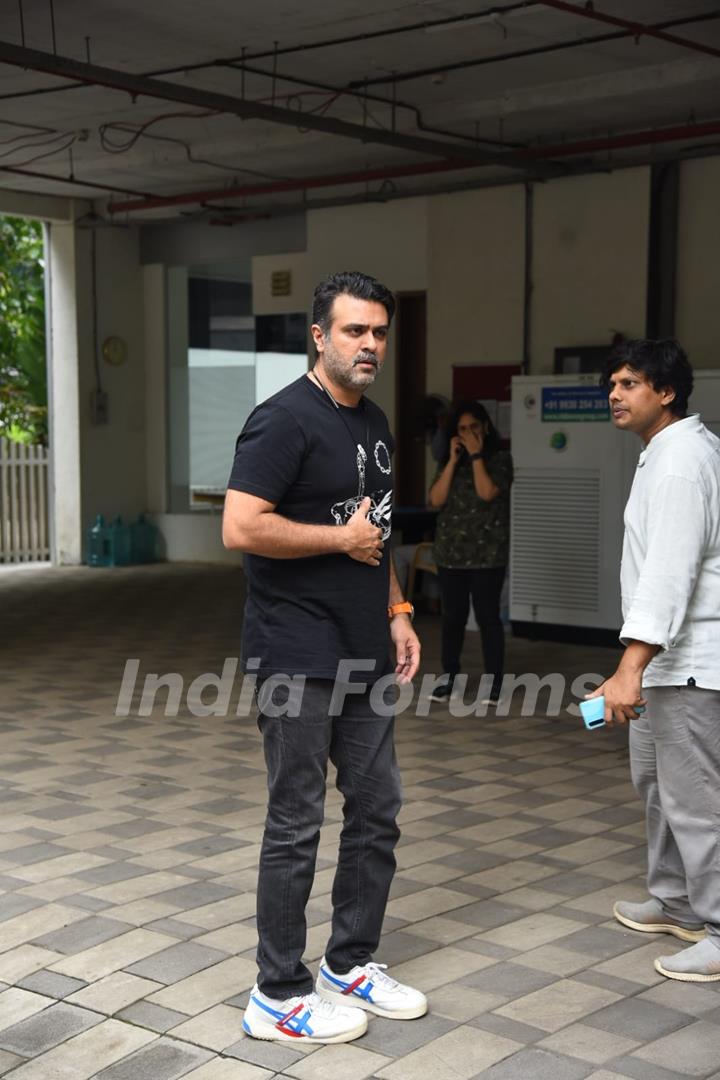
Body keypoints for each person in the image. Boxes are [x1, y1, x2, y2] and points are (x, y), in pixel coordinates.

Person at [223, 270, 427, 1044]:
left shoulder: (374, 422)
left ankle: (349, 964)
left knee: (378, 809)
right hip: (294, 653)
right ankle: (277, 993)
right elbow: (242, 526)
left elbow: (374, 534)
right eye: (354, 331)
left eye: (378, 331)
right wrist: (338, 540)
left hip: (366, 649)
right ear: (319, 336)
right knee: (297, 822)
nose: (369, 344)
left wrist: (399, 610)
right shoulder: (282, 421)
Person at [590, 338, 720, 983]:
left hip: (689, 662)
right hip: (666, 662)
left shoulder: (679, 462)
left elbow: (671, 574)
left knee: (696, 800)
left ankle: (719, 928)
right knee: (657, 784)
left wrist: (628, 668)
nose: (615, 394)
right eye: (612, 383)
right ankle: (676, 900)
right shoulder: (663, 453)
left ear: (666, 393)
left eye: (630, 383)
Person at [427, 400, 513, 705]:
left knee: (488, 618)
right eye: (462, 429)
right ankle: (449, 676)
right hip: (451, 554)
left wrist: (476, 456)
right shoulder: (448, 460)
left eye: (474, 427)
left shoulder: (500, 459)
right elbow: (435, 499)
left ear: (486, 428)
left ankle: (494, 683)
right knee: (453, 618)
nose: (468, 433)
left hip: (487, 555)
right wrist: (452, 461)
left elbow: (486, 492)